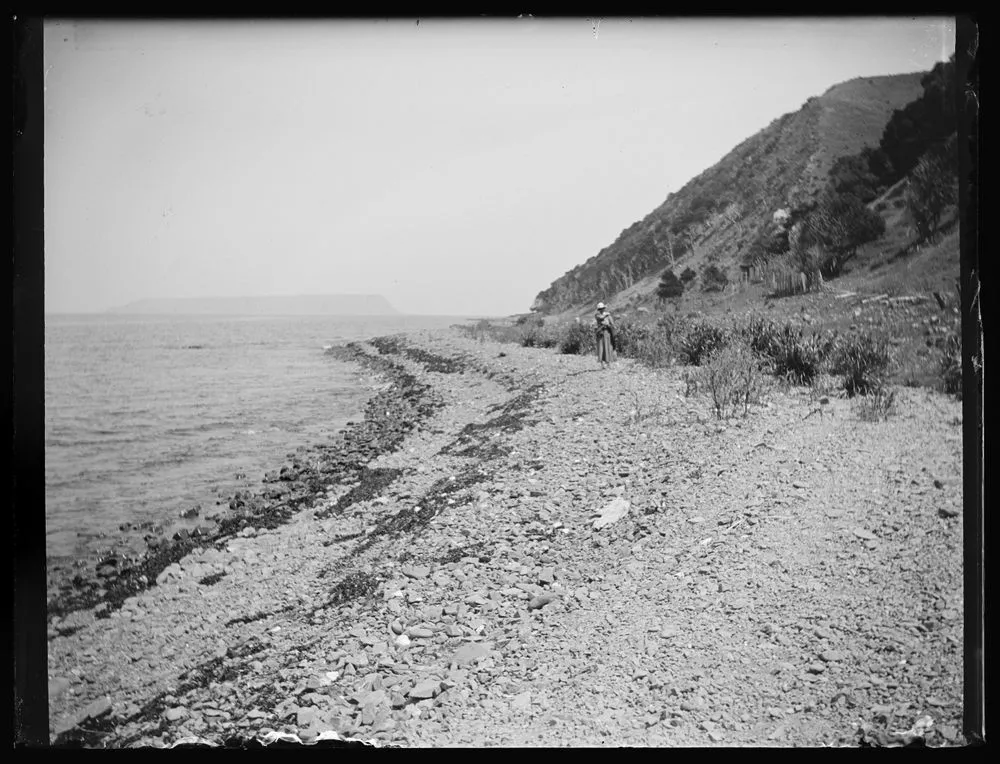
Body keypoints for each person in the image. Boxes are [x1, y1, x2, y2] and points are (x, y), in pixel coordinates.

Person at [595, 302, 616, 369]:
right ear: (599, 309)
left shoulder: (608, 315)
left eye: (602, 308)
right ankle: (602, 365)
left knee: (608, 347)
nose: (602, 310)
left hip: (607, 333)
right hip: (601, 333)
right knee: (601, 348)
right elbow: (601, 318)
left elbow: (612, 323)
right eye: (600, 308)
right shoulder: (597, 315)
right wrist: (607, 315)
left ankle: (608, 364)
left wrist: (611, 325)